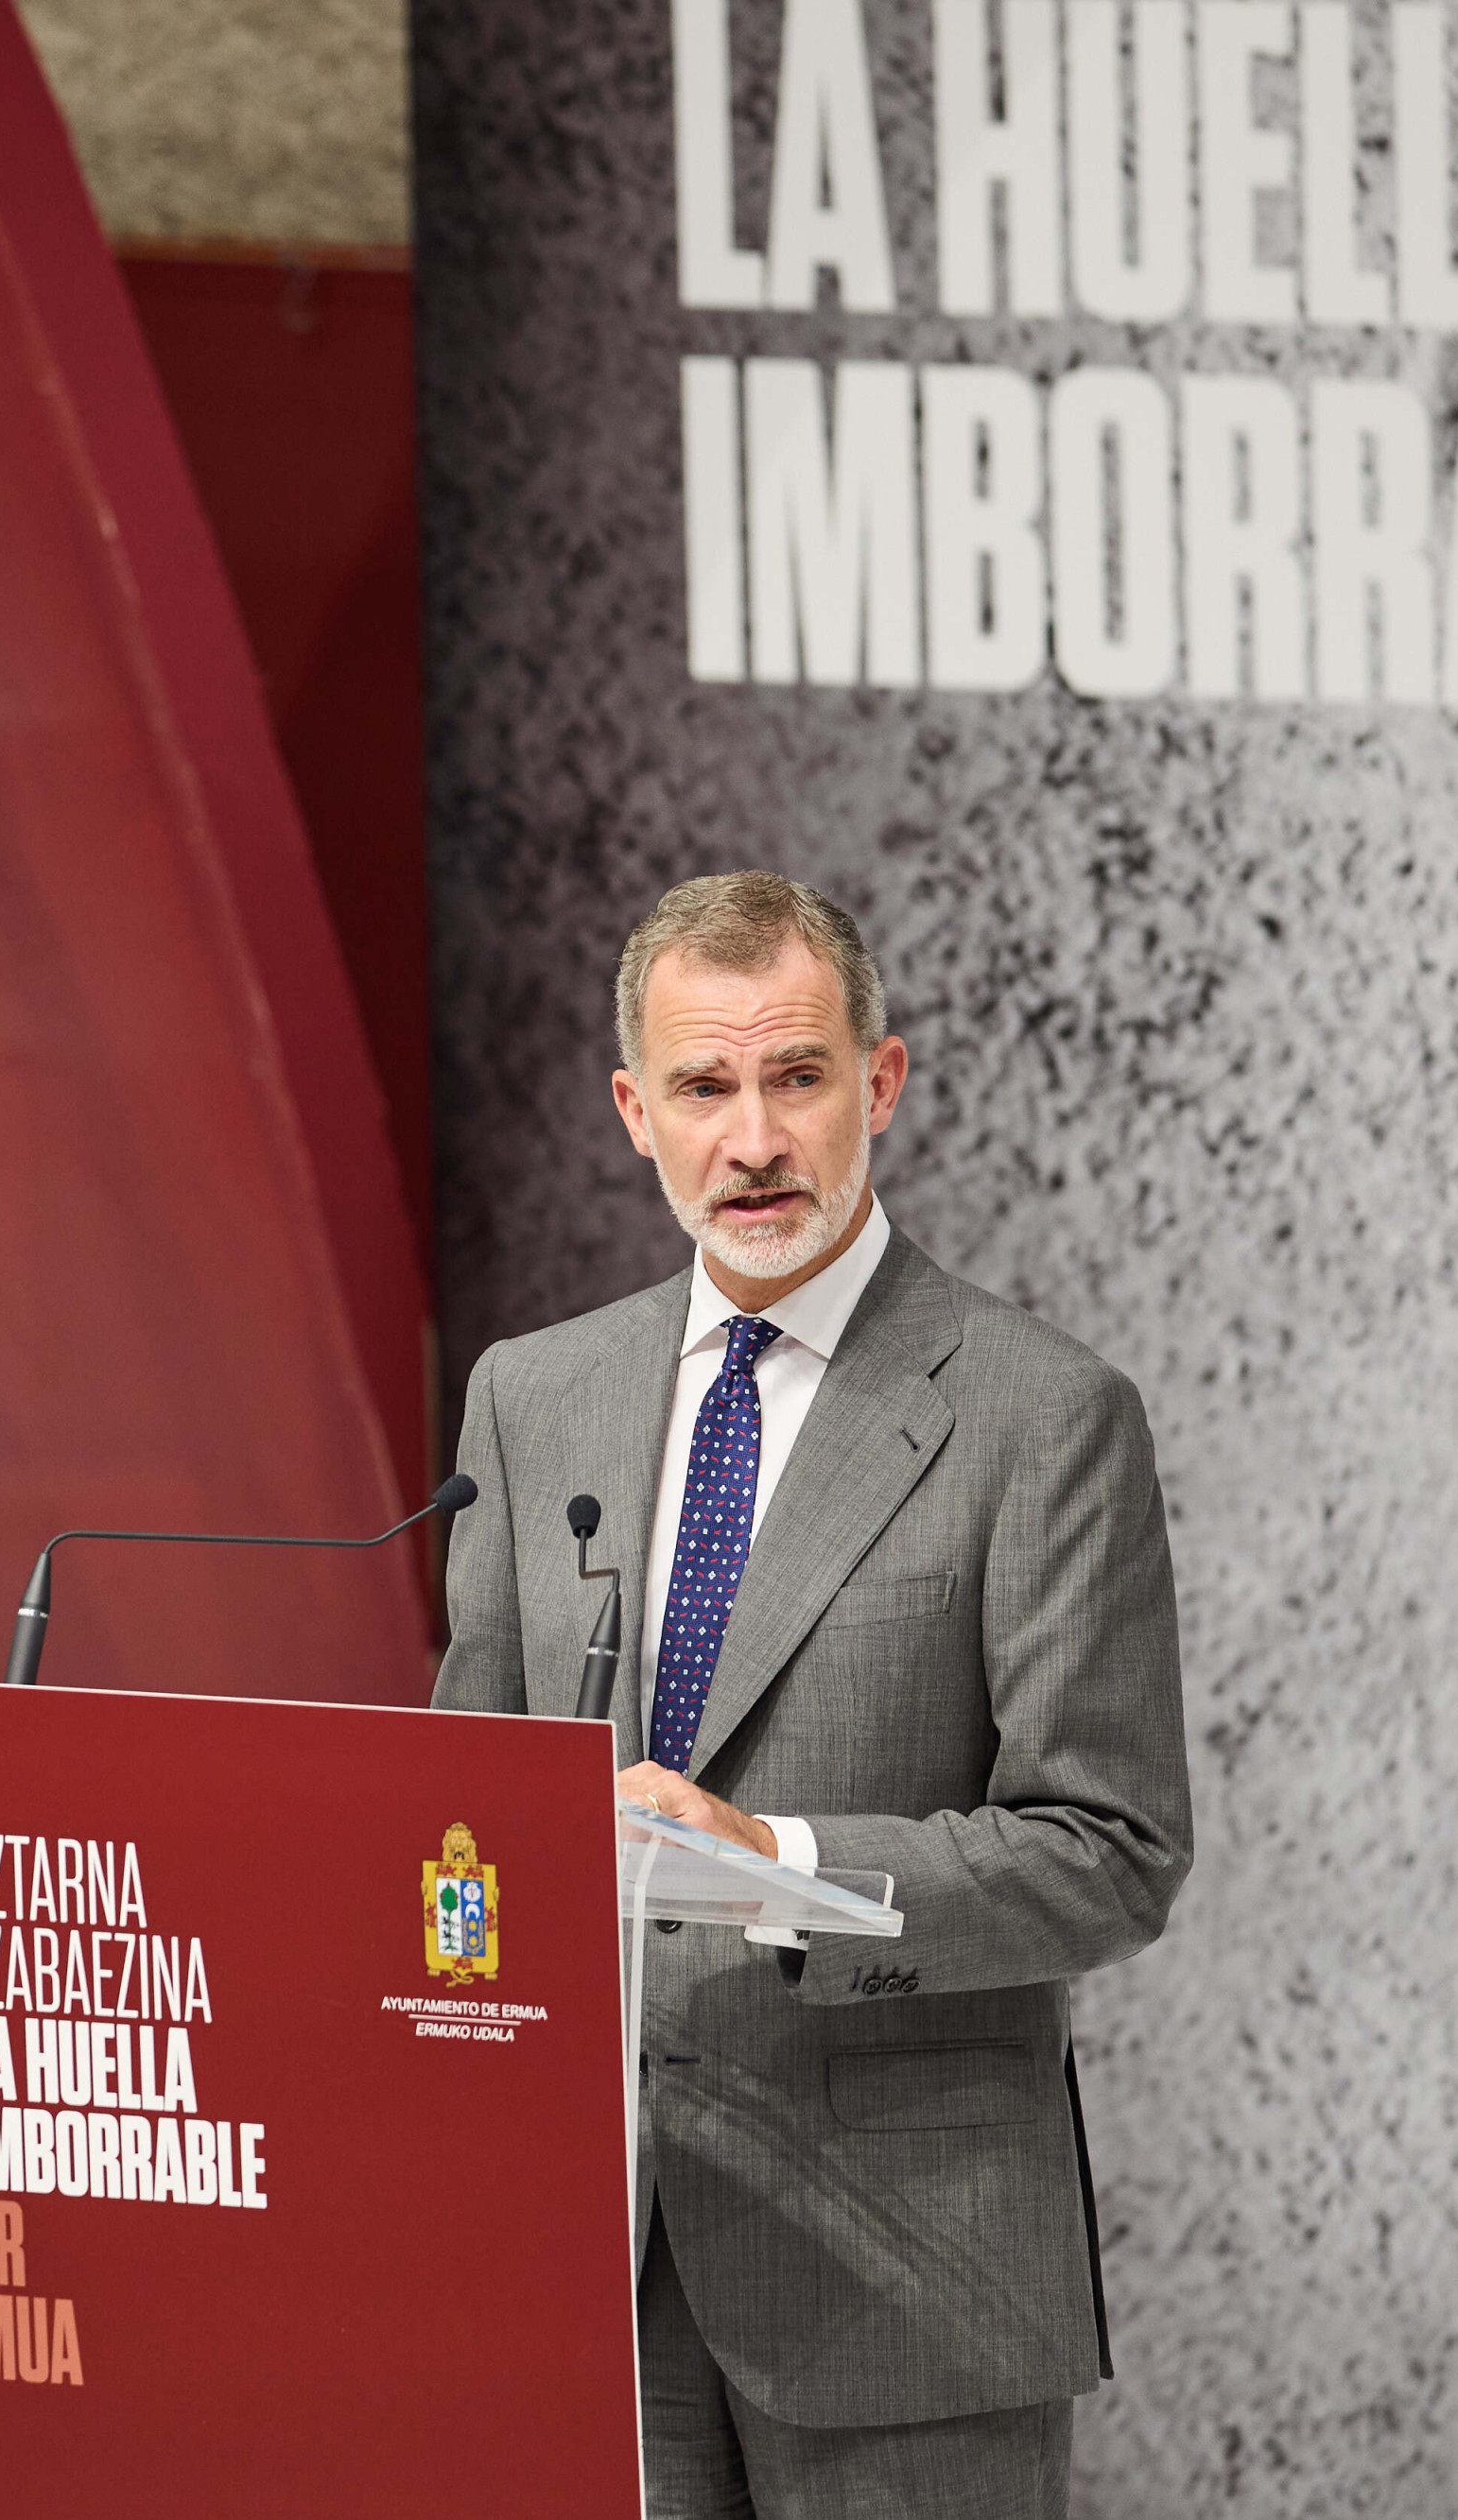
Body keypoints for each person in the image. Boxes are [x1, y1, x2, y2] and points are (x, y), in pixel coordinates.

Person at [432, 872, 1190, 2517]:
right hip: (588, 2262)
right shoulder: (531, 1398)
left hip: (904, 2281)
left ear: (884, 1082)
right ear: (636, 1110)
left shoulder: (1041, 1416)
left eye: (799, 1078)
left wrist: (767, 1858)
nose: (755, 1139)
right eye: (705, 1088)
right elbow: (463, 1823)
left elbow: (1111, 1849)